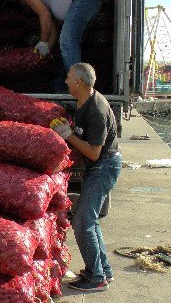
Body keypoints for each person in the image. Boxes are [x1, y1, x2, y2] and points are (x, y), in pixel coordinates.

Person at [50, 63, 121, 291]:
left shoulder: (96, 110)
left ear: (79, 82)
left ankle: (95, 278)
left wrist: (68, 135)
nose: (66, 81)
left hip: (104, 167)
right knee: (90, 221)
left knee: (82, 223)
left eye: (69, 78)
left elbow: (93, 151)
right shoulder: (84, 102)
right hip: (97, 167)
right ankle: (103, 271)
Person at [20, 0, 101, 92]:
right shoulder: (47, 1)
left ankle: (80, 88)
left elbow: (45, 15)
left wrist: (43, 42)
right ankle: (60, 87)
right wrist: (48, 48)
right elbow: (53, 31)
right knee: (69, 48)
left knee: (67, 42)